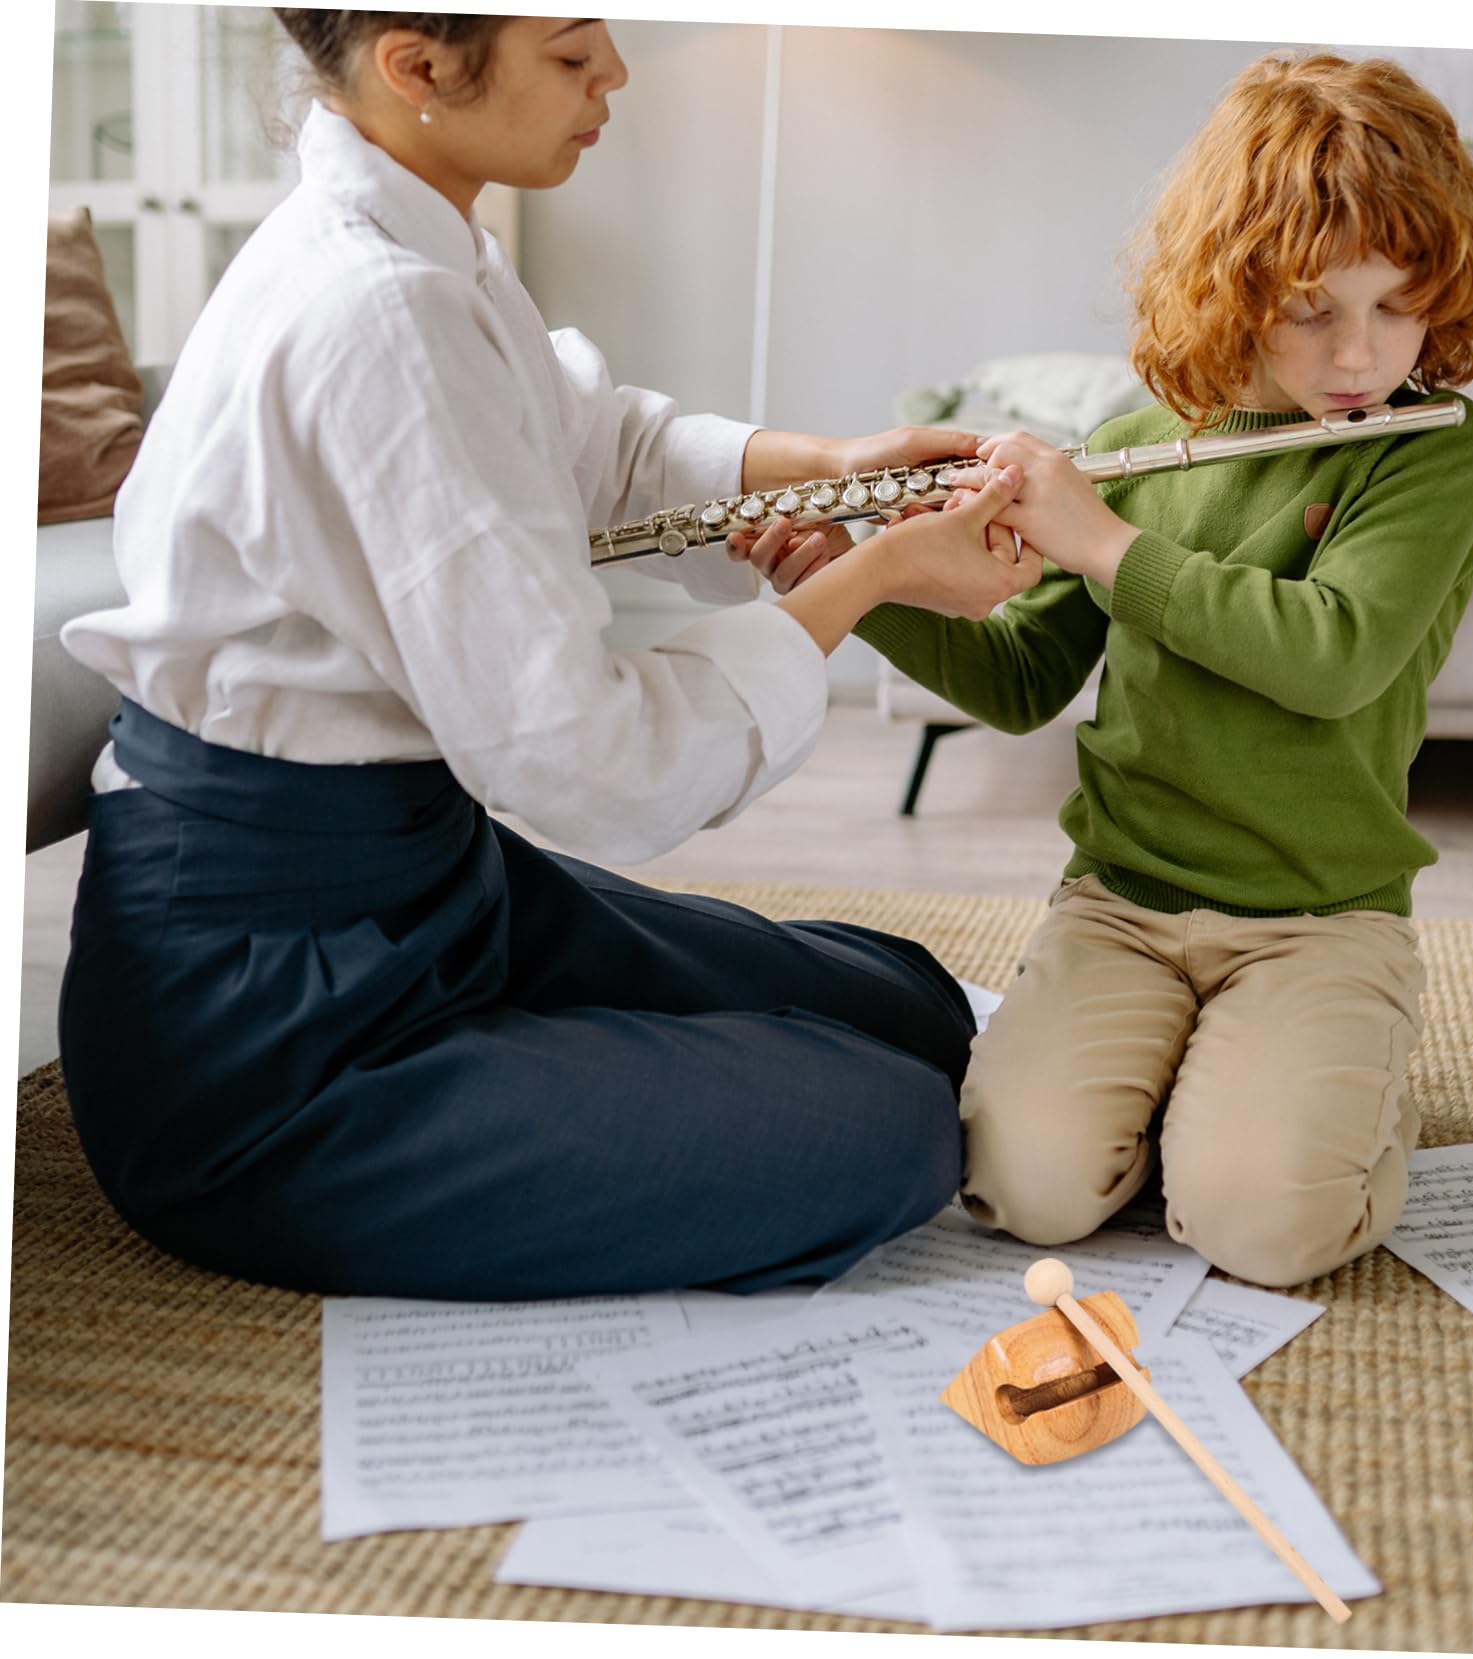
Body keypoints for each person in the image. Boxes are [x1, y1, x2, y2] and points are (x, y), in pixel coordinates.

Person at [54, 13, 1041, 1301]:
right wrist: (882, 576)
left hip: (428, 893)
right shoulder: (374, 312)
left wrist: (830, 471)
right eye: (574, 54)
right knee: (887, 1127)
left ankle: (544, 1055)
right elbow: (591, 763)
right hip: (271, 1022)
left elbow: (584, 445)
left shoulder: (429, 237)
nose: (616, 77)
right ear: (415, 67)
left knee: (912, 1007)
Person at [743, 51, 1473, 1288]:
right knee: (1022, 1189)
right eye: (1314, 309)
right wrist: (852, 573)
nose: (1361, 353)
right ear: (1235, 286)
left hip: (1318, 918)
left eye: (1398, 303)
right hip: (1123, 900)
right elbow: (1020, 683)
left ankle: (1320, 1093)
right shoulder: (1135, 446)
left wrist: (1099, 539)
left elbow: (1332, 660)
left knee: (1265, 1228)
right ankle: (1210, 1087)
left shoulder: (1433, 449)